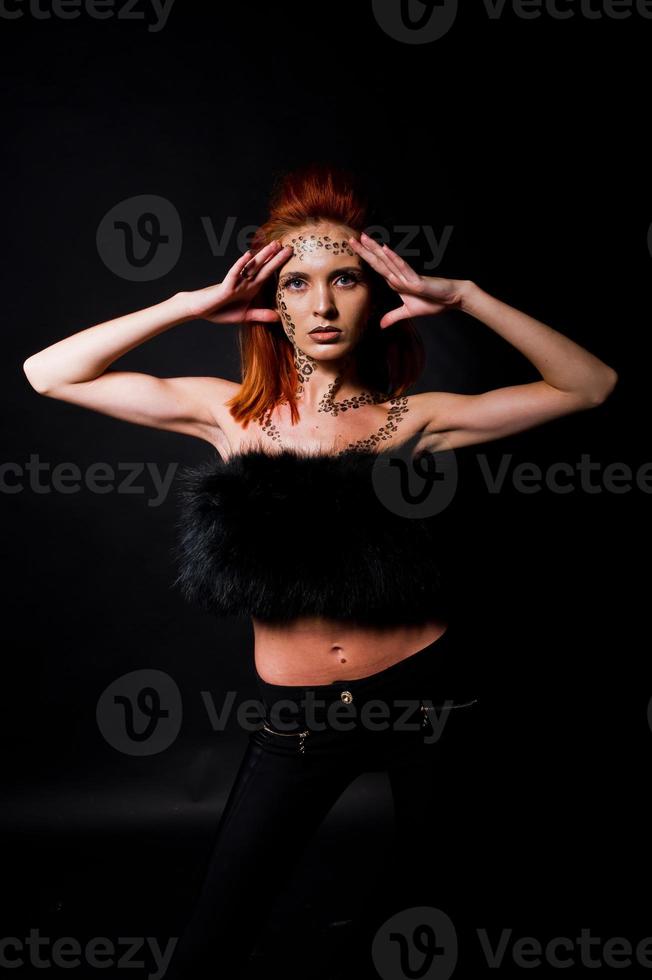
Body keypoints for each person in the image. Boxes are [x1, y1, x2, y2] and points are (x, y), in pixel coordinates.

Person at [22, 163, 618, 978]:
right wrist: (185, 305)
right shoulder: (228, 415)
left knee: (433, 915)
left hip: (429, 700)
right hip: (303, 719)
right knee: (214, 938)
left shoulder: (415, 419)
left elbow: (591, 386)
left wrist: (467, 295)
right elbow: (48, 372)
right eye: (298, 283)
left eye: (345, 280)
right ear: (275, 303)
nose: (323, 304)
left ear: (377, 297)